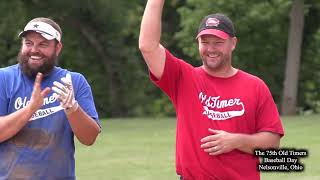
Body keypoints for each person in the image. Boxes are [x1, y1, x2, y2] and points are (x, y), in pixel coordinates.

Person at [139, 1, 284, 179]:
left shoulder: (255, 86)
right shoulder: (184, 78)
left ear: (233, 43)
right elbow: (147, 46)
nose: (211, 49)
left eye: (218, 42)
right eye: (205, 42)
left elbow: (272, 144)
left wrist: (236, 141)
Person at [0, 17, 101, 179]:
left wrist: (72, 108)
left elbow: (89, 138)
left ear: (57, 47)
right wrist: (31, 108)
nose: (34, 49)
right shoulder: (3, 79)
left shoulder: (73, 82)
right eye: (28, 43)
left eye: (43, 44)